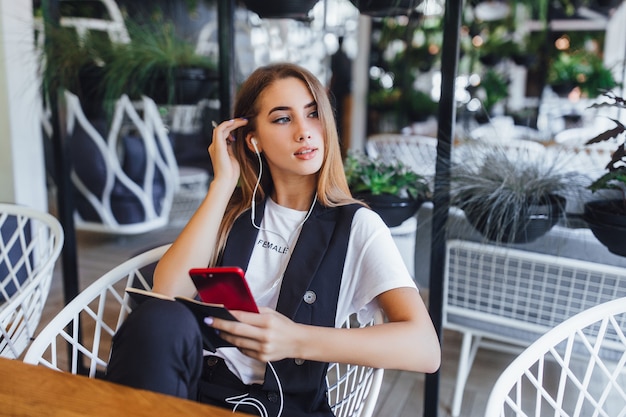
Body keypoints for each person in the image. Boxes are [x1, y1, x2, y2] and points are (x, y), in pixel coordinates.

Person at [105, 62, 440, 417]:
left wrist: (295, 339)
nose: (304, 131)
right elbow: (167, 293)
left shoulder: (357, 226)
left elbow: (424, 348)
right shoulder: (234, 212)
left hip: (280, 407)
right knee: (158, 320)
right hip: (195, 391)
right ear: (254, 139)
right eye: (283, 119)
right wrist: (222, 184)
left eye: (313, 114)